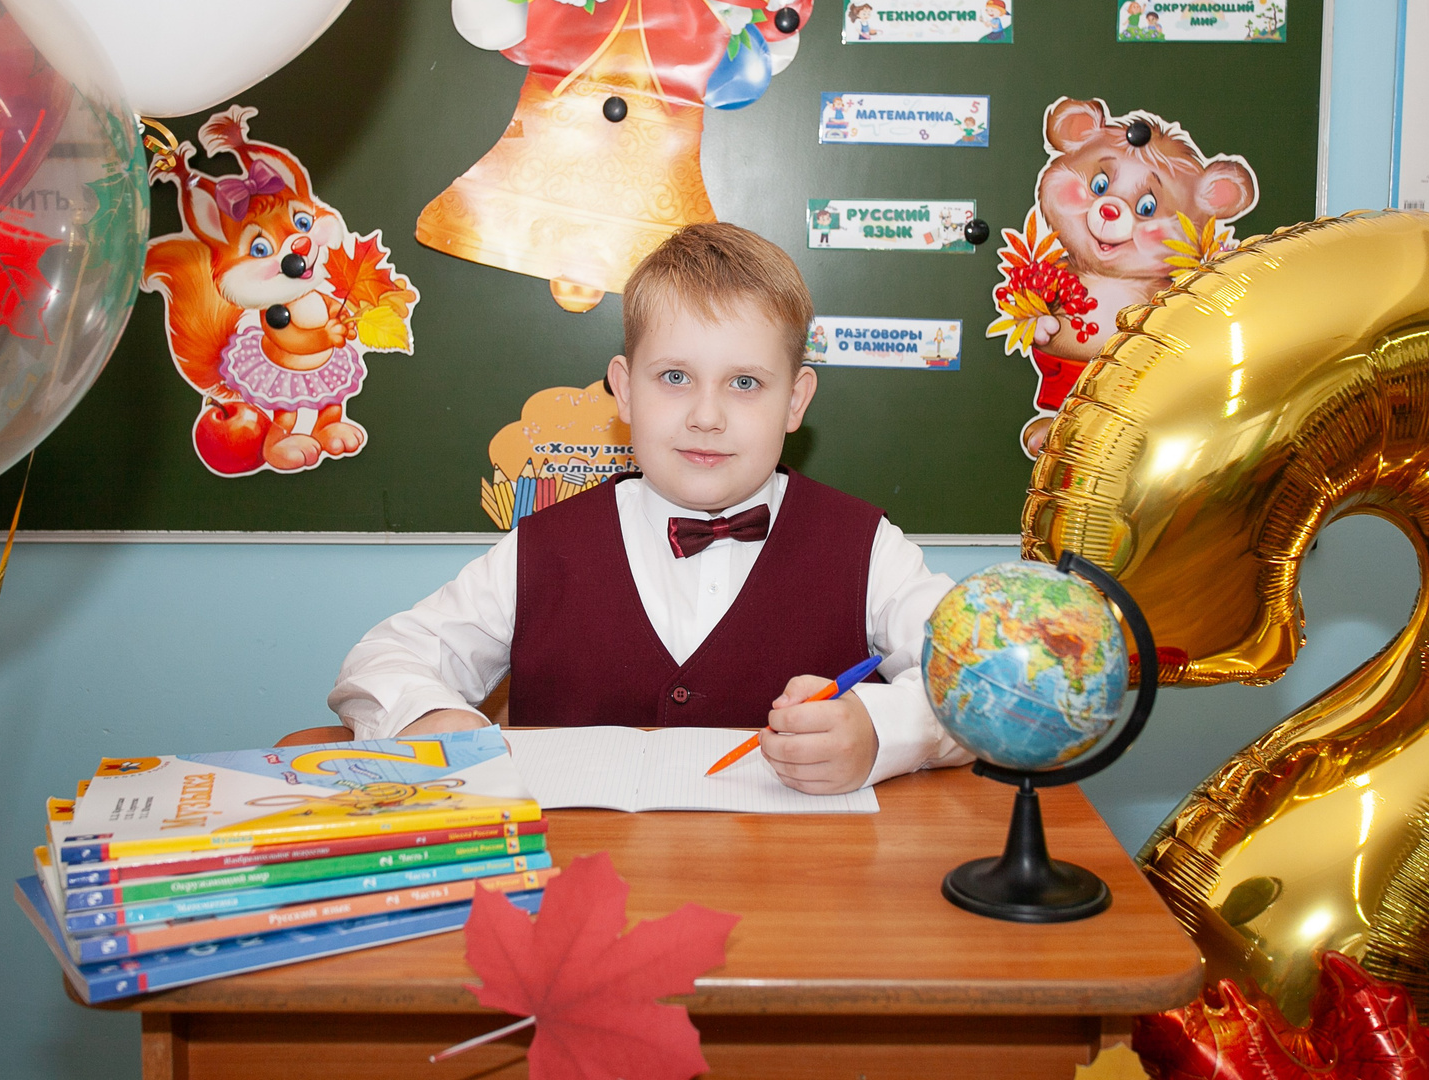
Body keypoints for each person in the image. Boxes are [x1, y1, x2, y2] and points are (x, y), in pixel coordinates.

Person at [327, 223, 972, 795]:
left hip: (792, 884)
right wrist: (433, 720)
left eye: (745, 383)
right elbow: (385, 657)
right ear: (624, 389)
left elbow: (975, 674)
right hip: (574, 877)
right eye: (674, 377)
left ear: (796, 401)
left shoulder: (866, 546)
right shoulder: (542, 548)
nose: (707, 416)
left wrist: (881, 732)